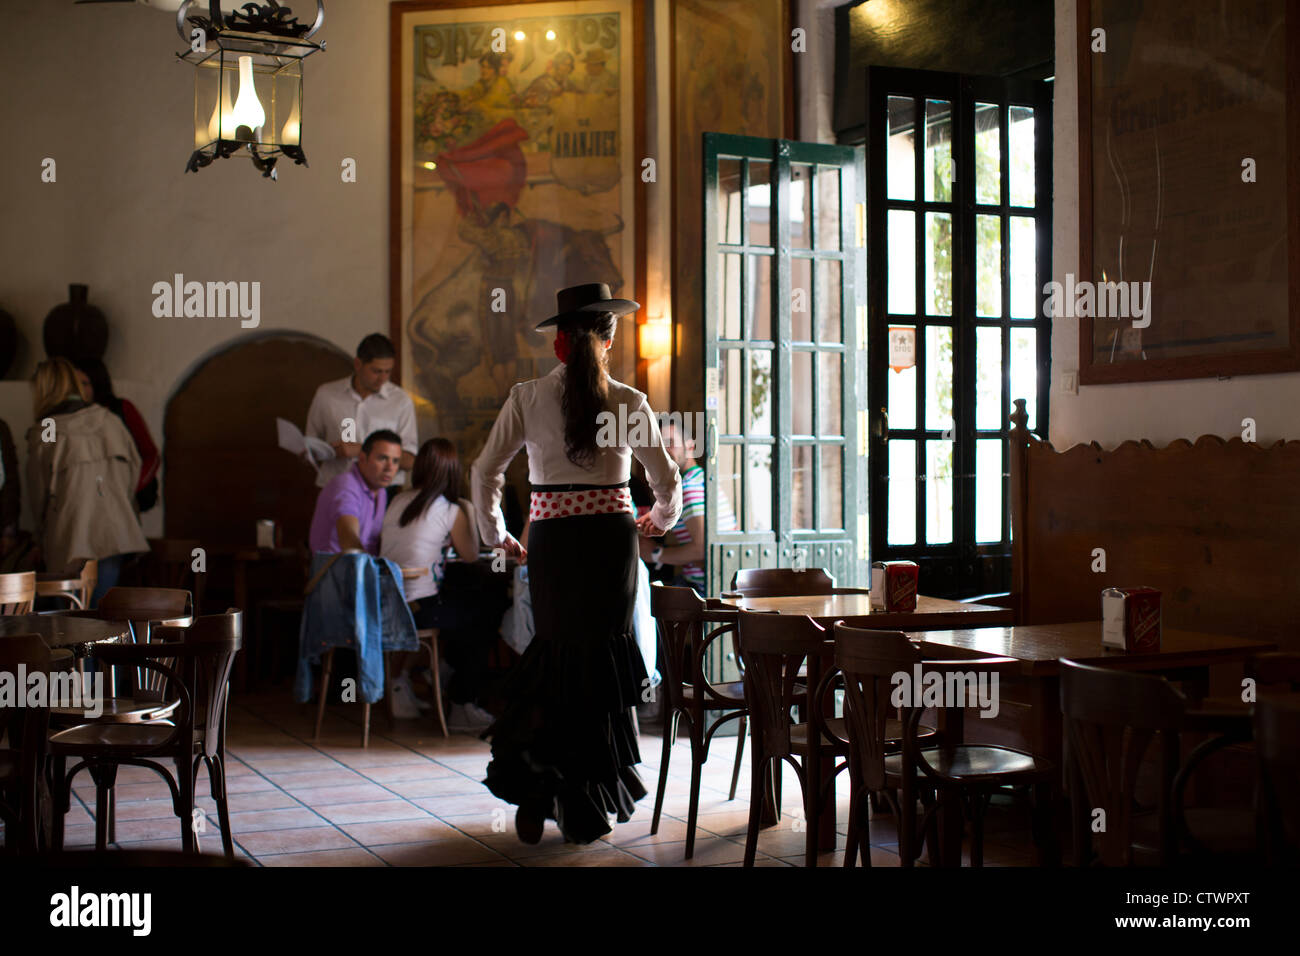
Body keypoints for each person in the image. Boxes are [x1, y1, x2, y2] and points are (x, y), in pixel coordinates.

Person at [471, 282, 681, 845]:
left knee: (557, 656)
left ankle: (540, 786)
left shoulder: (526, 397)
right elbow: (666, 480)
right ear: (609, 341)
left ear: (558, 342)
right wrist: (659, 520)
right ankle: (588, 801)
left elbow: (485, 471)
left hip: (554, 544)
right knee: (601, 663)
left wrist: (497, 535)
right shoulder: (629, 401)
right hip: (611, 542)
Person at [25, 357, 148, 605]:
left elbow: (38, 494)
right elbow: (133, 473)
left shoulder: (47, 430)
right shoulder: (110, 420)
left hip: (69, 535)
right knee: (101, 616)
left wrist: (38, 538)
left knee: (67, 620)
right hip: (114, 532)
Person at [380, 438, 483, 720]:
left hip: (386, 601)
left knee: (453, 604)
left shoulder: (398, 500)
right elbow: (472, 555)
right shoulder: (450, 510)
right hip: (417, 608)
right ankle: (460, 698)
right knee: (478, 617)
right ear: (452, 471)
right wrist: (468, 510)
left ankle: (427, 672)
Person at [305, 334, 417, 490]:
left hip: (383, 491)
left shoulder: (401, 401)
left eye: (388, 372)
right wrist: (322, 451)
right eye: (377, 371)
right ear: (358, 364)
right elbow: (310, 443)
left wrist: (360, 450)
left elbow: (410, 461)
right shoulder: (326, 394)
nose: (383, 379)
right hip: (335, 487)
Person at [71, 356, 161, 513]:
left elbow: (151, 455)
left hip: (122, 501)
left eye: (84, 383)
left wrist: (131, 487)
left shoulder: (121, 409)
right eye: (74, 384)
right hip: (87, 502)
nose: (78, 390)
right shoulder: (70, 417)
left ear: (97, 383)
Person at [307, 429, 402, 555]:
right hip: (334, 565)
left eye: (395, 461)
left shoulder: (381, 492)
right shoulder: (346, 485)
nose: (389, 468)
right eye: (383, 458)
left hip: (359, 563)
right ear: (362, 458)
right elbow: (349, 539)